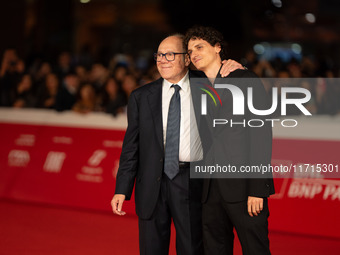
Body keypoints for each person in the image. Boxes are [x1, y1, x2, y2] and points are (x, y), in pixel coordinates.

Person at [111, 34, 243, 255]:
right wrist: (122, 189)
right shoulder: (141, 97)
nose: (162, 60)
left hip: (191, 181)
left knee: (192, 247)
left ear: (187, 59)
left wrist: (235, 69)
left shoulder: (208, 88)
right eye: (159, 55)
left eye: (170, 54)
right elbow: (131, 147)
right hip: (152, 183)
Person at [184, 26, 275, 255]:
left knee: (255, 249)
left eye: (200, 47)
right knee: (214, 248)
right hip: (210, 188)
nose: (194, 53)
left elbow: (261, 136)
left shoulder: (245, 79)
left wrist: (257, 188)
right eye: (190, 50)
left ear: (217, 48)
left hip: (244, 187)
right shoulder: (198, 87)